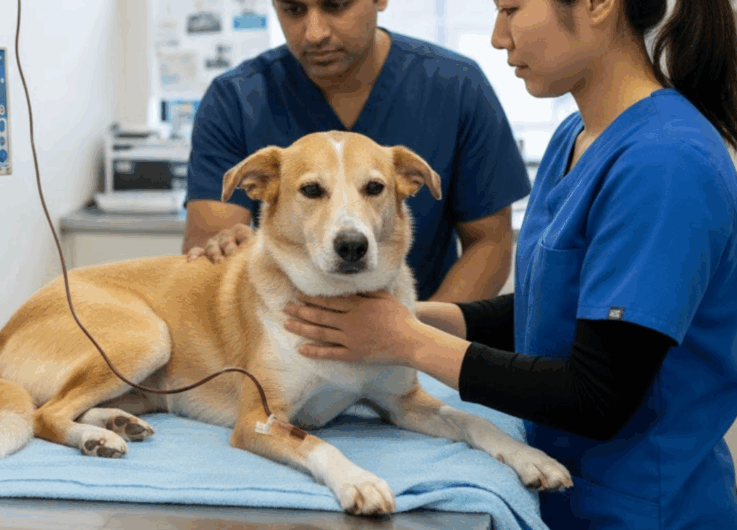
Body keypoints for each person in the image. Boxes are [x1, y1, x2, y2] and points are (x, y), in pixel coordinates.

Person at [278, 0, 737, 530]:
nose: (498, 37)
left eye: (511, 8)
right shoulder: (577, 137)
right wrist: (419, 316)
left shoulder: (664, 163)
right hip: (571, 507)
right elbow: (559, 308)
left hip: (650, 526)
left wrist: (409, 341)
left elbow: (598, 395)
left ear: (598, 4)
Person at [182, 0, 530, 303]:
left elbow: (489, 244)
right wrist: (236, 246)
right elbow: (213, 255)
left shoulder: (456, 85)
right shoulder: (235, 100)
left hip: (423, 320)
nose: (314, 33)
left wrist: (415, 337)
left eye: (336, 5)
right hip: (283, 330)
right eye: (293, 9)